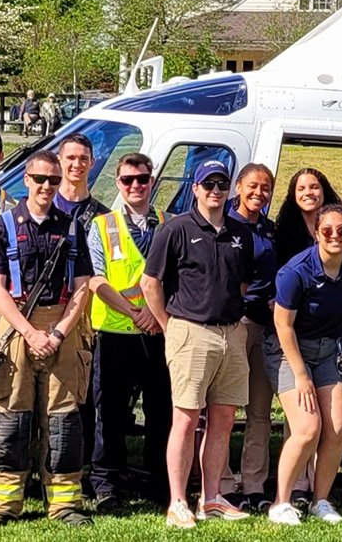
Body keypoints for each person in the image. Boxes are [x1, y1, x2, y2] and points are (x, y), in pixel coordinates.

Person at [0, 150, 94, 527]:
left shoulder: (73, 227)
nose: (47, 187)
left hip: (62, 325)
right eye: (40, 179)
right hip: (15, 326)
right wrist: (29, 332)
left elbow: (82, 289)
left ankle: (64, 504)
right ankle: (0, 503)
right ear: (25, 180)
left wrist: (59, 332)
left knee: (63, 421)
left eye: (54, 180)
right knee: (9, 416)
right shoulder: (2, 227)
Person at [140, 159, 255, 529]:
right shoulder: (174, 229)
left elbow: (241, 284)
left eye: (222, 184)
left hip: (232, 332)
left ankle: (211, 498)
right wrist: (168, 325)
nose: (215, 191)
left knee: (223, 419)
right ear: (195, 187)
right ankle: (177, 501)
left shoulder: (241, 233)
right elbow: (150, 284)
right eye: (208, 184)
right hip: (190, 331)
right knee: (186, 419)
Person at [85, 153, 172, 511]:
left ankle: (159, 482)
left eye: (142, 178)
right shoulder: (101, 225)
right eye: (127, 180)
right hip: (115, 331)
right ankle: (106, 482)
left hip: (158, 333)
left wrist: (154, 316)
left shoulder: (169, 223)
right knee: (110, 412)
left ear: (152, 181)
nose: (135, 185)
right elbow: (96, 279)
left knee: (162, 410)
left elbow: (177, 276)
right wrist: (137, 313)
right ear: (118, 183)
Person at [266, 205, 342, 526]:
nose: (335, 236)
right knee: (307, 429)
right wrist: (302, 376)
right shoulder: (296, 272)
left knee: (336, 428)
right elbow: (282, 325)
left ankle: (320, 500)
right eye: (328, 231)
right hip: (288, 350)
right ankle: (281, 503)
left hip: (329, 351)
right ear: (316, 233)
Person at [218, 164, 278, 513]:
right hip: (234, 323)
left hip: (265, 325)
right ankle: (223, 483)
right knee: (224, 410)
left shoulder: (270, 230)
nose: (259, 193)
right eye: (252, 186)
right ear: (238, 187)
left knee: (259, 412)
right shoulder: (224, 225)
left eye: (265, 187)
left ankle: (254, 484)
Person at [53, 132, 111, 479]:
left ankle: (84, 468)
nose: (76, 165)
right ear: (60, 161)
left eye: (83, 159)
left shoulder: (103, 216)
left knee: (85, 397)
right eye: (70, 158)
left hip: (89, 321)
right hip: (46, 313)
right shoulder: (43, 209)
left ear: (92, 163)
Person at [274, 168, 342, 265]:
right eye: (301, 189)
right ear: (294, 195)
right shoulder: (283, 233)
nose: (308, 193)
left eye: (314, 187)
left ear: (324, 191)